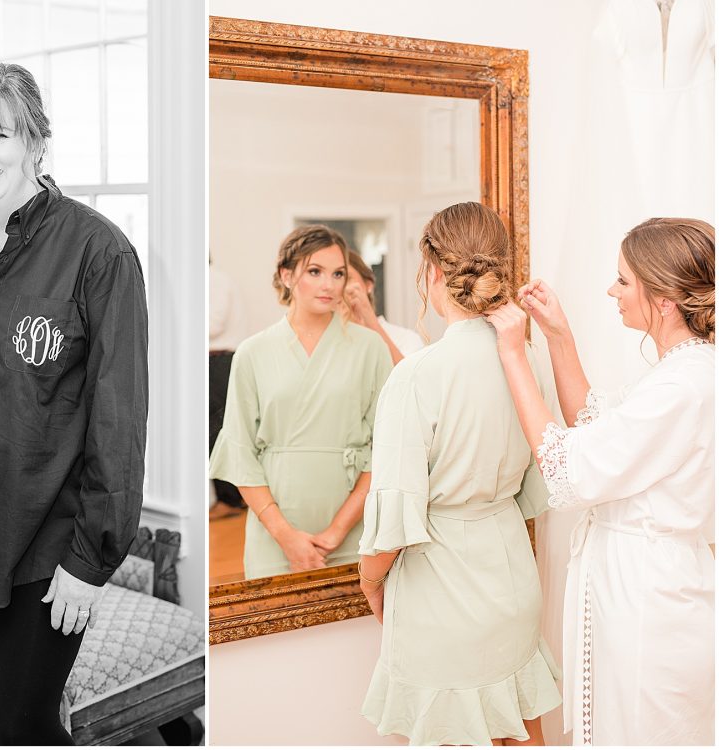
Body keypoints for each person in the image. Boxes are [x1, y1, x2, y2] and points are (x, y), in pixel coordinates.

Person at [0, 61, 149, 745]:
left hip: (48, 553)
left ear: (36, 142)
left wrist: (89, 562)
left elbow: (119, 418)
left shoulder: (99, 253)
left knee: (20, 725)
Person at [485, 217, 715, 745]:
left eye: (624, 281)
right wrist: (559, 337)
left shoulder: (683, 386)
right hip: (643, 590)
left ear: (663, 300)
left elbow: (568, 466)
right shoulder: (680, 372)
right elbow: (595, 429)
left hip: (650, 605)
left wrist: (513, 354)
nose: (612, 291)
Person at [358, 202, 561, 746]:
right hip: (511, 573)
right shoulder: (525, 360)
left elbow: (396, 509)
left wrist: (370, 580)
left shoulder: (418, 375)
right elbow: (538, 482)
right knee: (522, 733)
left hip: (441, 586)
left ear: (432, 273)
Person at [209, 225, 392, 579]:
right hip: (274, 528)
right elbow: (239, 452)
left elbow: (384, 447)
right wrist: (286, 536)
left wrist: (338, 530)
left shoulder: (371, 349)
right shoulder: (252, 353)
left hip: (353, 523)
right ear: (287, 275)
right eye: (315, 272)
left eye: (338, 274)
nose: (329, 285)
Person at [209, 257, 248, 519]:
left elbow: (214, 323)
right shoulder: (215, 277)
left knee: (218, 432)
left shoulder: (213, 278)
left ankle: (232, 500)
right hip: (215, 361)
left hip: (219, 361)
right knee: (215, 431)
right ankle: (232, 498)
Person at [342, 249, 425, 363]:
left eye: (346, 277)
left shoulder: (406, 339)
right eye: (336, 278)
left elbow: (409, 379)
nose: (339, 286)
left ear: (368, 285)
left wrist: (369, 318)